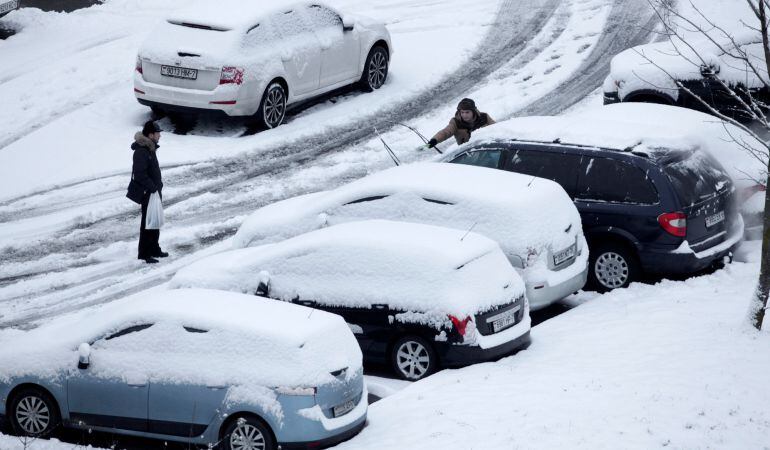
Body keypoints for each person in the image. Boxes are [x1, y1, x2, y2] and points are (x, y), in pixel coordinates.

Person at [129, 120, 167, 264]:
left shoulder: (150, 148)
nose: (159, 136)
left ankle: (154, 249)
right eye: (158, 133)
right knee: (147, 222)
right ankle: (144, 253)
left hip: (154, 192)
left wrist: (158, 187)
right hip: (148, 192)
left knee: (155, 220)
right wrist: (152, 187)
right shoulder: (141, 151)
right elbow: (140, 174)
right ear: (151, 135)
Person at [427, 98, 495, 148]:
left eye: (467, 112)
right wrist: (434, 140)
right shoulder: (456, 122)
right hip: (468, 152)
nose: (464, 115)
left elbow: (498, 128)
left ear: (473, 111)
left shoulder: (484, 117)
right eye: (462, 112)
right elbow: (446, 132)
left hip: (488, 147)